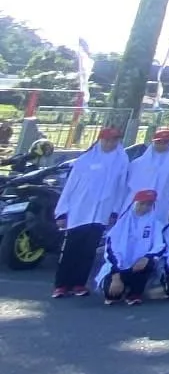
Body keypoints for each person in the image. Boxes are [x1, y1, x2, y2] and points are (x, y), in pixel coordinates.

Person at [51, 126, 130, 298]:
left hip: (101, 213)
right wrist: (62, 212)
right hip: (79, 212)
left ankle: (79, 283)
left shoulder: (122, 161)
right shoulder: (84, 161)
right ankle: (61, 284)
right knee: (71, 249)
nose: (110, 144)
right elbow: (70, 187)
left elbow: (120, 189)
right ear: (100, 140)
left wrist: (115, 211)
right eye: (107, 140)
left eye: (114, 140)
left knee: (88, 251)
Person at [100, 189, 167, 305]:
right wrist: (116, 276)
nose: (145, 207)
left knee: (148, 263)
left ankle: (135, 292)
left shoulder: (156, 224)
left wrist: (147, 257)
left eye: (149, 204)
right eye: (142, 204)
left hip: (140, 266)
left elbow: (160, 246)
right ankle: (118, 284)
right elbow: (110, 252)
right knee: (112, 296)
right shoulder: (120, 225)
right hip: (118, 268)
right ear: (135, 203)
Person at [127, 127, 169, 210]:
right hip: (136, 204)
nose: (161, 145)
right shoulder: (137, 163)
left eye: (165, 142)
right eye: (158, 142)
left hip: (161, 204)